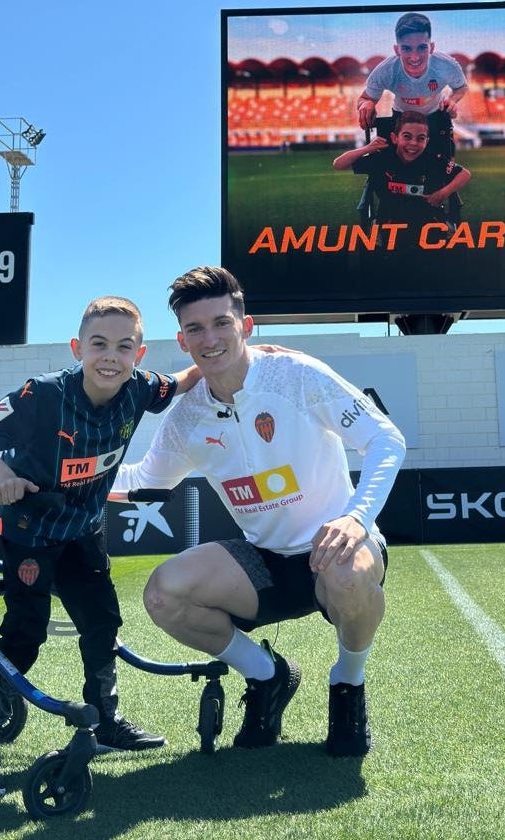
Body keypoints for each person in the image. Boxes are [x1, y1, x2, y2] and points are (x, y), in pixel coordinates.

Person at [112, 266, 406, 757]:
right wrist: (65, 475)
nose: (210, 338)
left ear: (246, 326)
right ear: (183, 342)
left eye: (221, 323)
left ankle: (348, 684)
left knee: (346, 575)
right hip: (265, 561)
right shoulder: (187, 416)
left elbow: (385, 440)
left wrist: (355, 519)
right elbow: (144, 481)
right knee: (165, 595)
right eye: (195, 329)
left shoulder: (296, 375)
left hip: (336, 551)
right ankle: (268, 676)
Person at [0, 295, 199, 799]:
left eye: (124, 346)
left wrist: (236, 354)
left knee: (103, 622)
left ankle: (106, 722)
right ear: (77, 347)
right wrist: (1, 476)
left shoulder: (142, 389)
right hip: (31, 533)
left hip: (84, 532)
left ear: (140, 354)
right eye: (99, 344)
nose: (111, 356)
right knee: (25, 634)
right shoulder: (41, 394)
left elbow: (185, 379)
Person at [332, 110, 471, 233]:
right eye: (407, 136)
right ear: (394, 138)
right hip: (390, 220)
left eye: (420, 138)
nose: (413, 143)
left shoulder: (433, 159)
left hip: (429, 219)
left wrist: (442, 193)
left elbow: (464, 174)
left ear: (427, 141)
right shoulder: (382, 159)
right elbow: (338, 164)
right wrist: (367, 149)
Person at [356, 12, 468, 153]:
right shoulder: (385, 70)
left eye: (422, 47)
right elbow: (365, 98)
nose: (414, 57)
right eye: (406, 48)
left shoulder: (447, 65)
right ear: (397, 50)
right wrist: (367, 103)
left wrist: (452, 100)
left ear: (431, 47)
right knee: (399, 171)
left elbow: (462, 87)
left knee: (443, 171)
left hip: (435, 118)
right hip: (401, 119)